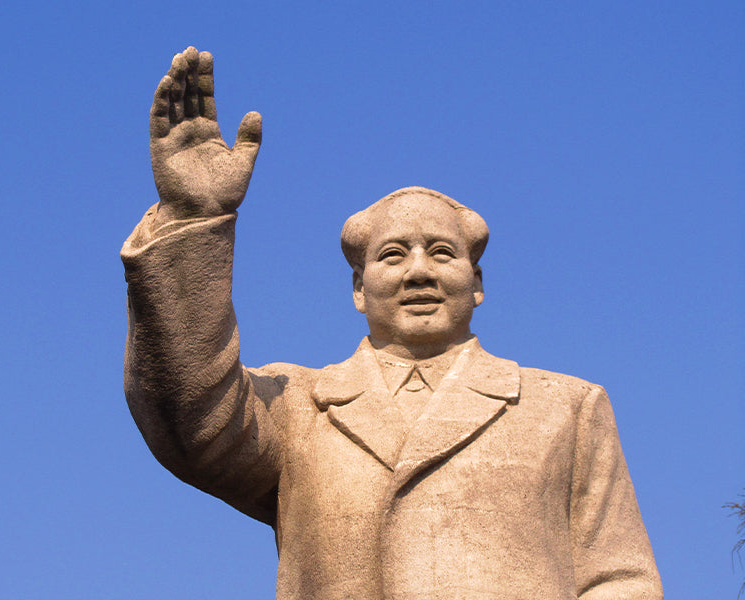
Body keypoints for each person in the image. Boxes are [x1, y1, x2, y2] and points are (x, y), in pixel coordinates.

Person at [122, 47, 663, 600]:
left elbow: (620, 579)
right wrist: (192, 218)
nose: (419, 272)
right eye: (393, 255)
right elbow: (189, 411)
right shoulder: (296, 409)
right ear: (359, 289)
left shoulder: (566, 408)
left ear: (477, 284)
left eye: (443, 253)